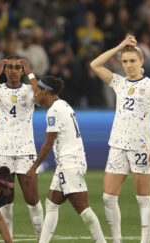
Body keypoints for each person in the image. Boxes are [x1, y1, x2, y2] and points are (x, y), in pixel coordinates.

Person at [90, 35, 150, 243]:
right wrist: (120, 46)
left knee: (143, 198)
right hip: (117, 145)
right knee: (108, 197)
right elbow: (95, 64)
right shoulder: (119, 82)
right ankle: (117, 240)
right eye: (125, 61)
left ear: (142, 62)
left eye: (132, 61)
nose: (128, 65)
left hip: (141, 147)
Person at [26, 76, 107, 243]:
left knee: (83, 209)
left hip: (69, 163)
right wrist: (30, 74)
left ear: (46, 92)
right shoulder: (63, 104)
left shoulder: (54, 111)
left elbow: (48, 143)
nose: (35, 95)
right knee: (51, 204)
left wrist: (33, 167)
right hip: (68, 162)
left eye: (38, 92)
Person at [0, 55, 43, 240]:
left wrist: (31, 73)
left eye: (18, 68)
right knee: (5, 200)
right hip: (2, 150)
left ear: (22, 71)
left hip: (25, 149)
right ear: (5, 70)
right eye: (10, 67)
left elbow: (41, 99)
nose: (14, 71)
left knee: (32, 199)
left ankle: (43, 238)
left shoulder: (29, 90)